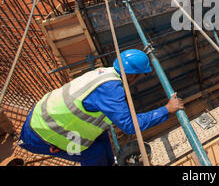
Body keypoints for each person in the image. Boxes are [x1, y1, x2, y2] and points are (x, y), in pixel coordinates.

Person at [17, 49, 184, 166]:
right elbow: (131, 126)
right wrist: (166, 109)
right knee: (95, 153)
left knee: (103, 139)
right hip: (44, 133)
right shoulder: (111, 90)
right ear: (132, 75)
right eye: (140, 75)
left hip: (47, 116)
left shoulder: (106, 73)